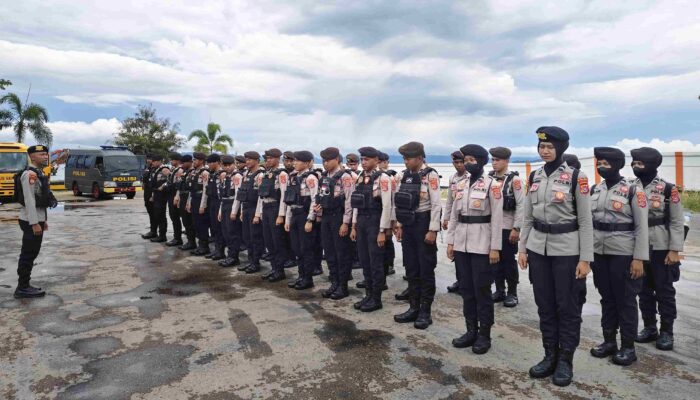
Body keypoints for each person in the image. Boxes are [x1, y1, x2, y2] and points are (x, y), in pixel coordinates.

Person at [518, 126, 593, 387]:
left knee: (568, 306)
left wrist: (586, 259)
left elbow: (585, 220)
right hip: (539, 250)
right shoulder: (535, 176)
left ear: (561, 149)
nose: (545, 151)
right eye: (541, 147)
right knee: (545, 305)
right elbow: (528, 216)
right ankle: (549, 355)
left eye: (549, 147)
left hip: (568, 252)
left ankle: (565, 360)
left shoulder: (576, 177)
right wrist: (523, 248)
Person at [589, 147, 648, 366]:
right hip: (599, 252)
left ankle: (628, 347)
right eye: (599, 163)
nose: (601, 167)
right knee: (607, 298)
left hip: (623, 253)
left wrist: (639, 258)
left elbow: (642, 226)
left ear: (617, 165)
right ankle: (609, 341)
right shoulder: (595, 189)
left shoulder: (633, 190)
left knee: (625, 300)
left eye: (605, 164)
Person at [447, 144, 503, 354]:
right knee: (466, 289)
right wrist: (451, 242)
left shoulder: (492, 184)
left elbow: (497, 218)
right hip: (462, 242)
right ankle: (471, 330)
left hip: (482, 244)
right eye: (466, 160)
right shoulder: (460, 184)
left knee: (482, 290)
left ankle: (484, 334)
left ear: (481, 161)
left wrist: (495, 248)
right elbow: (454, 214)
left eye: (471, 160)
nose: (468, 164)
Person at [631, 147, 684, 351]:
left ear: (652, 165)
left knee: (664, 291)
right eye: (634, 163)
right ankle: (650, 327)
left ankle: (667, 332)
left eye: (640, 164)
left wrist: (674, 249)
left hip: (661, 247)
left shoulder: (668, 189)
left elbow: (677, 221)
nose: (636, 167)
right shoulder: (628, 186)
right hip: (637, 247)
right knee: (642, 290)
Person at [392, 142, 442, 329]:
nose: (406, 161)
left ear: (420, 158)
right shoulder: (403, 176)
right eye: (404, 158)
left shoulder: (430, 175)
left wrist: (432, 230)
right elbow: (400, 202)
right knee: (411, 268)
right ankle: (413, 307)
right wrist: (399, 225)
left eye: (409, 158)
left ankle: (425, 312)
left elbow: (436, 204)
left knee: (426, 269)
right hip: (409, 225)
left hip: (424, 224)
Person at [350, 147, 392, 312]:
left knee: (375, 262)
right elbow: (355, 204)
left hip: (375, 221)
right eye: (362, 159)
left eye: (367, 159)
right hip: (361, 221)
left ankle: (376, 298)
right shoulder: (360, 177)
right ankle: (367, 295)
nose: (364, 162)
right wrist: (354, 225)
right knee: (364, 261)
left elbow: (387, 205)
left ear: (376, 160)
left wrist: (382, 230)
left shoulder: (383, 178)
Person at [14, 145, 57, 298]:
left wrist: (42, 220)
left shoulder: (38, 173)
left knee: (32, 252)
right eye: (42, 154)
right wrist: (34, 223)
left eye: (46, 154)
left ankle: (25, 285)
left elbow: (41, 199)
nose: (46, 157)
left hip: (36, 219)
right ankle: (22, 287)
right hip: (29, 220)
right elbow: (29, 200)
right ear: (32, 157)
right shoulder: (29, 174)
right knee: (28, 253)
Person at [316, 147, 355, 299]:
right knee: (330, 252)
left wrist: (346, 223)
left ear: (337, 159)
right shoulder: (324, 176)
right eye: (323, 161)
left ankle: (343, 286)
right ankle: (334, 282)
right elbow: (321, 196)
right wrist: (318, 210)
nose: (325, 163)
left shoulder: (345, 177)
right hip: (326, 217)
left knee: (341, 253)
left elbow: (349, 201)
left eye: (328, 160)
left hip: (339, 217)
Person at [489, 147, 525, 307]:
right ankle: (499, 290)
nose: (494, 163)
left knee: (508, 261)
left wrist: (516, 228)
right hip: (492, 227)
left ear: (507, 161)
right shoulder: (489, 178)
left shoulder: (515, 180)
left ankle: (512, 292)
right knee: (494, 261)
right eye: (493, 160)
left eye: (498, 160)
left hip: (508, 227)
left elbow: (521, 205)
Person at [284, 150, 319, 290]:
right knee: (297, 248)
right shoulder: (292, 177)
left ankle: (307, 278)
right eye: (294, 161)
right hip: (295, 214)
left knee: (306, 249)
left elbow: (315, 199)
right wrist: (288, 219)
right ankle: (300, 276)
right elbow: (289, 200)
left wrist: (310, 219)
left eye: (297, 161)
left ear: (306, 163)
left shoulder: (311, 178)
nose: (294, 163)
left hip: (305, 215)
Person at [256, 148, 290, 282]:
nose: (267, 160)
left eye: (270, 158)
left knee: (277, 242)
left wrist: (281, 215)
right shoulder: (265, 174)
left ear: (277, 159)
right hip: (266, 208)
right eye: (266, 158)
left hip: (276, 208)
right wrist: (259, 213)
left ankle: (280, 270)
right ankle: (274, 268)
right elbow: (261, 196)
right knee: (269, 241)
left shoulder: (282, 174)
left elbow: (283, 196)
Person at [232, 152, 265, 272]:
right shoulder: (246, 174)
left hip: (254, 208)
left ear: (257, 160)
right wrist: (241, 210)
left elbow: (261, 197)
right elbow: (241, 194)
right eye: (246, 159)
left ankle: (255, 262)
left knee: (255, 237)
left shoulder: (260, 175)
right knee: (247, 237)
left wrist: (257, 214)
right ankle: (250, 260)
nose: (247, 162)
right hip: (246, 208)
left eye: (250, 159)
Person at [444, 150, 468, 295]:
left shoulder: (470, 177)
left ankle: (466, 283)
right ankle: (460, 281)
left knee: (466, 254)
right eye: (455, 163)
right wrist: (446, 218)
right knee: (457, 254)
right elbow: (450, 200)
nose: (458, 165)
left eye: (461, 162)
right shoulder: (453, 178)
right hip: (456, 221)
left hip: (468, 221)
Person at [218, 155, 243, 267]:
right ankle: (229, 255)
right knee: (225, 232)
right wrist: (220, 211)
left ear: (234, 164)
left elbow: (238, 195)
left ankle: (233, 257)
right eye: (225, 165)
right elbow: (222, 195)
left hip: (233, 205)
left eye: (229, 165)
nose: (227, 167)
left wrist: (234, 211)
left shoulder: (237, 176)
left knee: (233, 233)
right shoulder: (225, 176)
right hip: (225, 205)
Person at [186, 152, 211, 256]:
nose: (194, 162)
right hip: (194, 199)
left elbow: (205, 190)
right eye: (193, 160)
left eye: (195, 160)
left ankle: (204, 247)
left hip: (201, 200)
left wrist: (202, 205)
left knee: (202, 225)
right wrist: (188, 202)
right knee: (195, 224)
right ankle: (200, 245)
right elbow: (191, 189)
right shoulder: (194, 172)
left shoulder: (205, 172)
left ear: (201, 160)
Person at [203, 154, 225, 260]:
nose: (209, 165)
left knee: (219, 228)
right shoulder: (212, 174)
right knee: (214, 228)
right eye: (208, 162)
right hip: (212, 202)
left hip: (219, 203)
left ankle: (220, 251)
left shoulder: (221, 174)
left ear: (216, 162)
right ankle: (216, 250)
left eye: (211, 162)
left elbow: (222, 192)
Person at [174, 155, 196, 251]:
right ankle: (190, 241)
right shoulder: (185, 173)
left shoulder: (193, 173)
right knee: (185, 221)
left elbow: (192, 189)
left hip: (189, 198)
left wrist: (188, 202)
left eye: (183, 163)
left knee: (190, 222)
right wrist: (178, 197)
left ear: (189, 162)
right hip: (183, 197)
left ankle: (192, 242)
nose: (182, 165)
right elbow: (179, 186)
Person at [149, 154, 171, 243]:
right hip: (157, 194)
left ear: (158, 161)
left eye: (154, 161)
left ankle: (162, 236)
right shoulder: (156, 170)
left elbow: (170, 180)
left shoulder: (164, 169)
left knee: (161, 215)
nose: (152, 163)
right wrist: (153, 196)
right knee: (157, 215)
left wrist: (163, 186)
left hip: (162, 196)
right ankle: (160, 234)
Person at [166, 152, 184, 247]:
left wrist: (177, 197)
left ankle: (178, 238)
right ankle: (176, 237)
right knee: (173, 217)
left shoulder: (180, 170)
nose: (171, 161)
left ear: (177, 160)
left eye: (172, 160)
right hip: (171, 195)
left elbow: (178, 185)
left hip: (175, 195)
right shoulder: (173, 169)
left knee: (176, 217)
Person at [141, 154, 157, 239]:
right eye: (148, 159)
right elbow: (145, 179)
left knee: (155, 213)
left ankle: (154, 231)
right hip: (147, 193)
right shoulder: (147, 168)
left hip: (152, 193)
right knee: (150, 212)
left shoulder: (156, 169)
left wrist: (153, 195)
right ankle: (152, 230)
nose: (149, 160)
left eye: (150, 159)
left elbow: (155, 184)